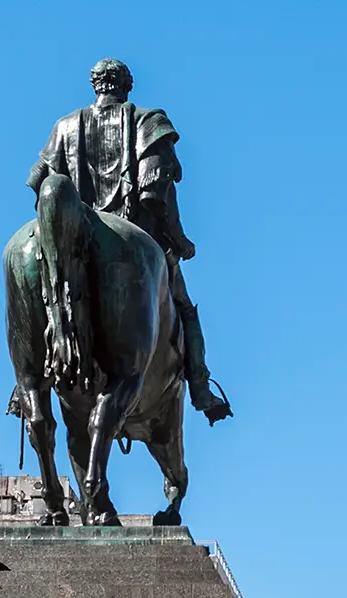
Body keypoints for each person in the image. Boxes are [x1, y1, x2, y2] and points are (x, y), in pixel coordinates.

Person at [28, 58, 231, 423]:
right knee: (184, 310)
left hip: (74, 238)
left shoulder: (64, 126)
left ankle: (27, 383)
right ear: (127, 86)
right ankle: (200, 388)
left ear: (95, 85)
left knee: (43, 296)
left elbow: (37, 182)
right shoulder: (148, 121)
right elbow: (157, 193)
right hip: (135, 236)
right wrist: (179, 240)